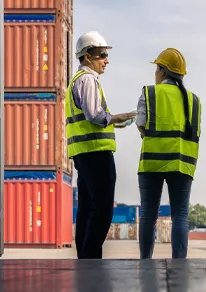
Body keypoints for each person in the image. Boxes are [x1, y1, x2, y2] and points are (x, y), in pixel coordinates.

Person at [66, 31, 136, 259]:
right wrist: (116, 117)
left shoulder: (77, 80)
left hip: (84, 153)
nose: (107, 60)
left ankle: (85, 260)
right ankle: (91, 258)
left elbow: (90, 119)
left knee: (87, 208)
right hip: (95, 153)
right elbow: (94, 115)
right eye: (102, 55)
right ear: (88, 56)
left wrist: (117, 123)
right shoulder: (87, 79)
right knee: (103, 208)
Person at [134, 48, 201, 259]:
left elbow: (141, 124)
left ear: (162, 71)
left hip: (152, 163)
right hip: (182, 164)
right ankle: (179, 264)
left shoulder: (150, 93)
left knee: (148, 215)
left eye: (156, 69)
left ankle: (146, 261)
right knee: (180, 215)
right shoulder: (194, 100)